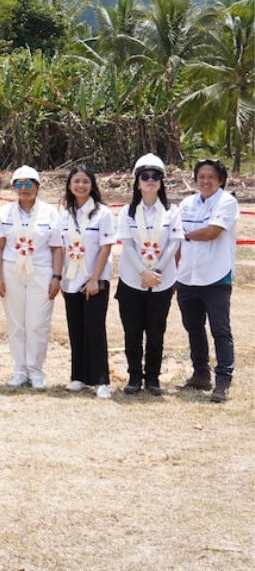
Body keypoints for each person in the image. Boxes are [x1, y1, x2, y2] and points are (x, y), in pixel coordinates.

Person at [0, 166, 64, 388]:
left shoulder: (50, 213)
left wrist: (56, 277)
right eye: (19, 184)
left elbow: (57, 248)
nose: (24, 189)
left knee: (37, 323)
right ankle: (20, 370)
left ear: (38, 187)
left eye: (29, 183)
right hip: (12, 272)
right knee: (16, 324)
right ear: (13, 188)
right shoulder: (3, 214)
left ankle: (36, 371)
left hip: (41, 272)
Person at [114, 154, 181, 396]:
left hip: (161, 282)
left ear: (162, 182)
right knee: (132, 331)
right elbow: (128, 244)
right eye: (145, 176)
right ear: (137, 182)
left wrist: (157, 271)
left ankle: (152, 378)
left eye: (155, 176)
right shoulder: (127, 211)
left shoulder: (172, 211)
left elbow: (174, 243)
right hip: (132, 280)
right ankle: (134, 377)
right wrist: (143, 271)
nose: (150, 180)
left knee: (156, 331)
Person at [175, 158, 237, 403]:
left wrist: (185, 234)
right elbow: (177, 242)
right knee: (193, 327)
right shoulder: (187, 204)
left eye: (211, 176)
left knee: (220, 330)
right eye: (201, 176)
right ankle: (201, 374)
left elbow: (212, 232)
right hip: (188, 276)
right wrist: (172, 271)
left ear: (220, 180)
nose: (206, 181)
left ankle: (222, 382)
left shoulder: (227, 202)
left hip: (216, 276)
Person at [55, 165, 117, 396]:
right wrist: (60, 278)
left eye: (85, 181)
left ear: (92, 185)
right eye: (76, 181)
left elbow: (105, 248)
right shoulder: (65, 215)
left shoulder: (103, 213)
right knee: (76, 328)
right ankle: (78, 375)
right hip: (71, 280)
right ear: (70, 185)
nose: (81, 186)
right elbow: (61, 248)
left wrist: (94, 279)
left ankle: (101, 380)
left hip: (94, 280)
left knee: (94, 328)